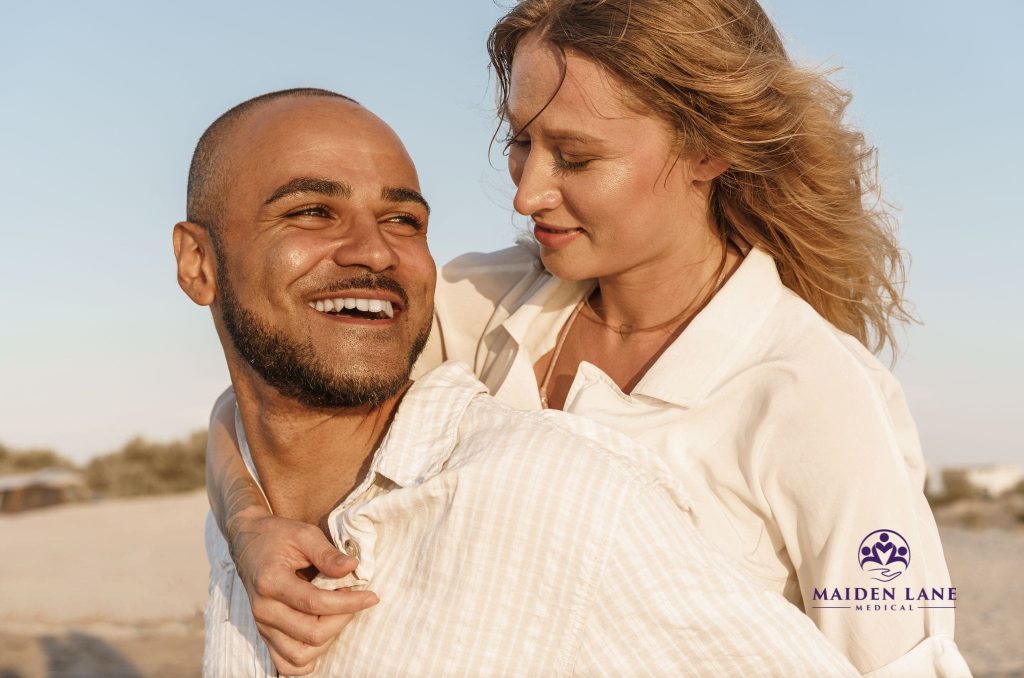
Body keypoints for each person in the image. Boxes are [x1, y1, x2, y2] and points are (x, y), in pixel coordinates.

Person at [206, 1, 971, 675]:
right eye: (520, 143)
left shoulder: (815, 399)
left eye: (575, 157)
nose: (526, 191)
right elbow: (267, 393)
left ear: (709, 149)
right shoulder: (481, 305)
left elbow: (907, 665)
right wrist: (247, 528)